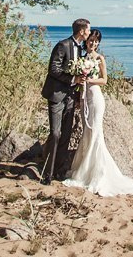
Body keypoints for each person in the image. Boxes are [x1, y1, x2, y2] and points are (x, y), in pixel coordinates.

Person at [63, 29, 133, 198]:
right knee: (87, 133)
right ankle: (83, 171)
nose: (93, 43)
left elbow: (104, 80)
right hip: (85, 97)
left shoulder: (99, 58)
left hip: (96, 97)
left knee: (95, 133)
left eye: (96, 41)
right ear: (86, 41)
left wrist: (89, 79)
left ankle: (97, 173)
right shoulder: (81, 58)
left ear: (99, 43)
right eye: (91, 40)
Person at [40, 18, 89, 184]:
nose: (89, 33)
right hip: (56, 95)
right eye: (88, 30)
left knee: (66, 135)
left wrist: (76, 91)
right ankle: (47, 173)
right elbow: (53, 69)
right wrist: (72, 78)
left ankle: (59, 172)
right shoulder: (63, 45)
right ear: (82, 31)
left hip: (69, 96)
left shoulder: (81, 49)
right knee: (55, 133)